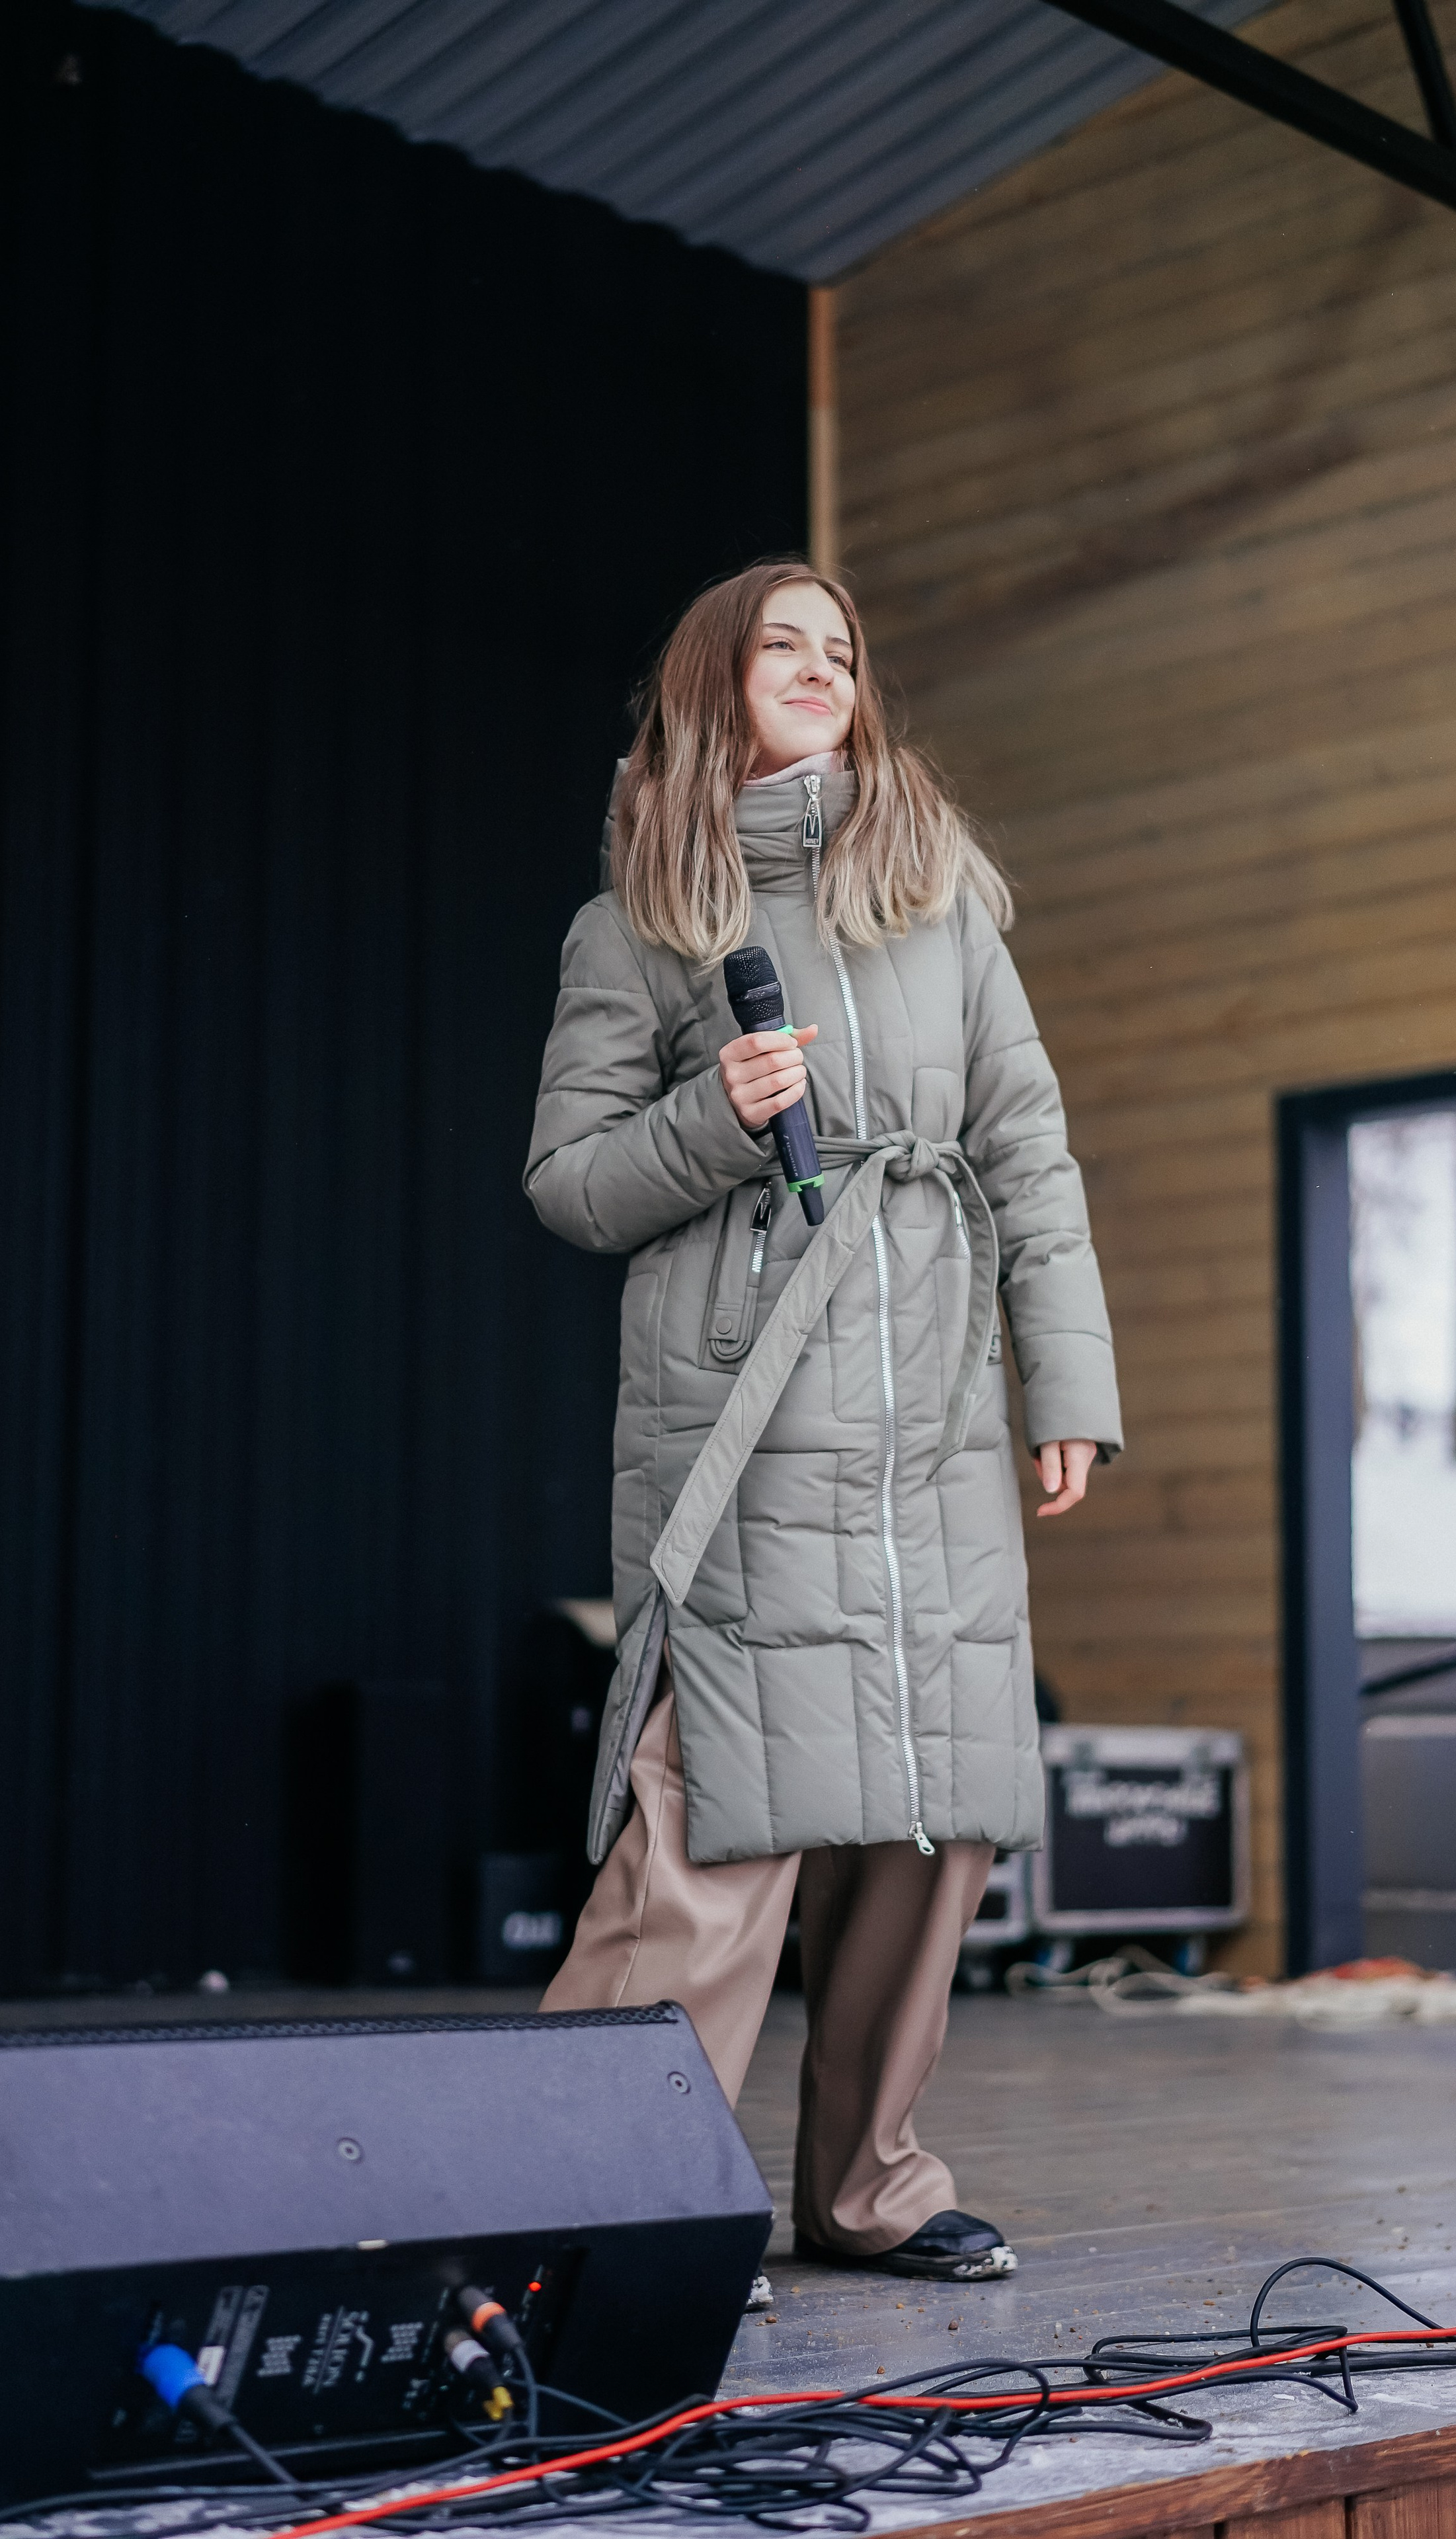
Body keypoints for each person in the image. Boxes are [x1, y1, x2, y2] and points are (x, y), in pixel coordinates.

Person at [524, 559, 1121, 2286]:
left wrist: (1066, 1380)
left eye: (840, 651)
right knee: (723, 1812)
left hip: (931, 1411)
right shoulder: (640, 923)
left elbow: (1028, 1147)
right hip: (751, 1407)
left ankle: (871, 2189)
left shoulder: (944, 903)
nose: (816, 667)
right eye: (780, 645)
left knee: (936, 1806)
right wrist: (714, 1116)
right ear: (715, 684)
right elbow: (569, 1186)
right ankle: (591, 2198)